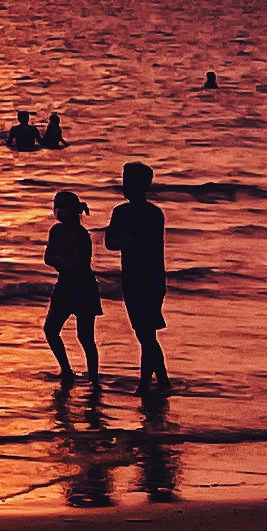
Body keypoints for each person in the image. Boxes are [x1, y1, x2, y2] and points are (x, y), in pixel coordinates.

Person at [108, 162, 171, 389]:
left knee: (146, 334)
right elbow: (110, 242)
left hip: (151, 279)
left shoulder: (153, 214)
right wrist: (132, 239)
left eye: (128, 181)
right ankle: (161, 381)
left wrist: (130, 239)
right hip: (132, 278)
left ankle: (149, 384)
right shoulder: (121, 212)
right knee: (144, 333)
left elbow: (146, 243)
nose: (125, 186)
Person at [40, 188, 102, 379]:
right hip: (65, 285)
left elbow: (77, 263)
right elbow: (48, 257)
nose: (57, 211)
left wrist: (61, 261)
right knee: (51, 330)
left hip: (83, 287)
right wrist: (61, 261)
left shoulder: (82, 235)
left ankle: (93, 376)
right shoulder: (56, 231)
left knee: (85, 337)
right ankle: (66, 370)